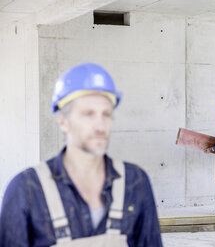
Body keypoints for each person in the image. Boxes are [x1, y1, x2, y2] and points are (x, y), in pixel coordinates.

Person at [0, 63, 163, 246]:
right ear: (63, 121)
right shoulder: (26, 190)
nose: (100, 126)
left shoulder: (135, 182)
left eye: (106, 114)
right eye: (88, 114)